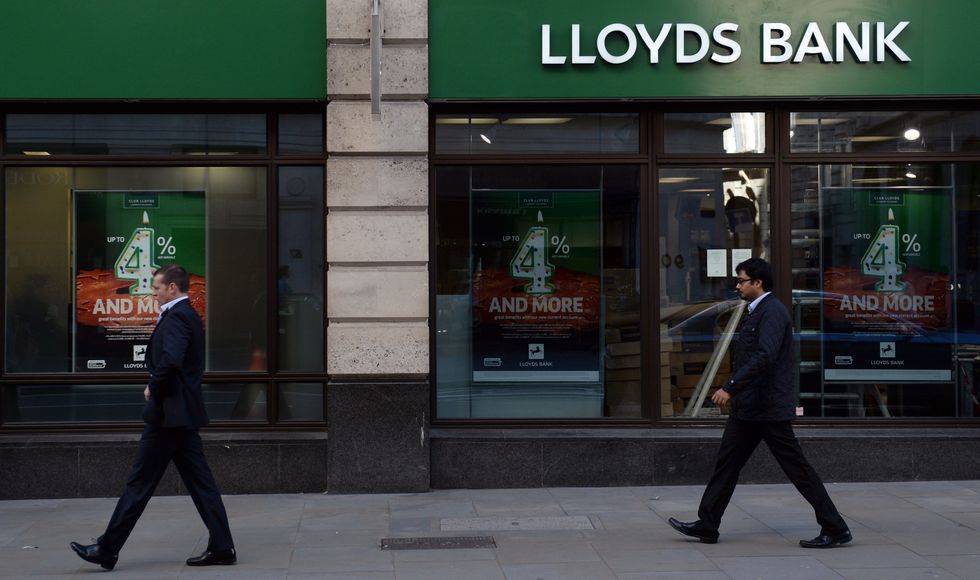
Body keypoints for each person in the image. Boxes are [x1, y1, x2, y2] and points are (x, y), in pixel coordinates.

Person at [668, 258, 851, 549]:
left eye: (741, 280)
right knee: (726, 465)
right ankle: (708, 523)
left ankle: (835, 527)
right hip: (749, 409)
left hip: (767, 408)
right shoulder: (756, 311)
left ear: (758, 283)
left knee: (797, 469)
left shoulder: (773, 313)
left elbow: (765, 356)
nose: (737, 285)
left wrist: (730, 386)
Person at [71, 265, 236, 570]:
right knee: (201, 484)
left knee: (140, 483)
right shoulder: (185, 315)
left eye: (157, 287)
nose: (153, 292)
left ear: (172, 288)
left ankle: (107, 549)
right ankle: (223, 547)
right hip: (180, 415)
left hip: (169, 414)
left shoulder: (177, 317)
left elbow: (172, 359)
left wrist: (152, 386)